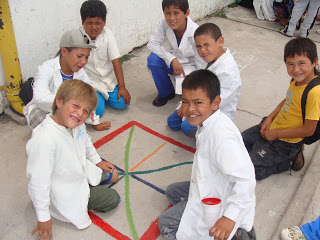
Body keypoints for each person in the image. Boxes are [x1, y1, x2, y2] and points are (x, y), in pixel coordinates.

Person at [158, 70, 256, 240]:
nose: (190, 109)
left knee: (166, 223)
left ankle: (234, 232)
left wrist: (229, 217)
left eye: (198, 102)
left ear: (215, 102)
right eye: (185, 102)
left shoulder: (222, 137)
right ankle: (197, 212)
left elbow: (245, 180)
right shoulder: (207, 122)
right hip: (212, 184)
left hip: (224, 198)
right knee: (173, 191)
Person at [26, 80, 120, 240]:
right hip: (64, 190)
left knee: (114, 174)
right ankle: (85, 198)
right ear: (59, 101)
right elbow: (38, 181)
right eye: (76, 106)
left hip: (78, 169)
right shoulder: (44, 139)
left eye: (86, 111)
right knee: (113, 199)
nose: (80, 114)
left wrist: (98, 161)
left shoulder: (75, 123)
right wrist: (43, 217)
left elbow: (86, 141)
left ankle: (89, 184)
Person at [242, 37, 320, 180]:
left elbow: (309, 130)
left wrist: (276, 134)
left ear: (314, 62)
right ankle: (263, 148)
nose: (295, 69)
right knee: (239, 142)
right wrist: (270, 118)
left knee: (248, 171)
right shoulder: (297, 79)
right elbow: (288, 100)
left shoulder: (315, 92)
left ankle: (285, 162)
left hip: (285, 143)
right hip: (273, 127)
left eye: (301, 63)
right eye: (290, 64)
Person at [23, 29, 111, 131]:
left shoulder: (81, 73)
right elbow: (40, 99)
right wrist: (69, 106)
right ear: (64, 51)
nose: (83, 61)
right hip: (42, 110)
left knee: (76, 128)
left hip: (69, 110)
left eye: (87, 57)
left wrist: (94, 122)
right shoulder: (46, 68)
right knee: (53, 130)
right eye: (79, 56)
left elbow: (88, 98)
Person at [167, 23, 241, 137]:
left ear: (220, 41)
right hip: (199, 102)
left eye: (207, 45)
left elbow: (216, 103)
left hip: (214, 111)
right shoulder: (206, 58)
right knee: (173, 121)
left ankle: (211, 136)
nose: (202, 50)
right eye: (198, 46)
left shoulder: (228, 72)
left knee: (186, 127)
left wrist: (189, 110)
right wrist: (183, 106)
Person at [147, 0, 204, 107]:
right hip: (175, 61)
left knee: (191, 97)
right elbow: (152, 44)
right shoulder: (165, 23)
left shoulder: (195, 31)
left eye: (176, 13)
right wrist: (172, 59)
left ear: (186, 13)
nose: (172, 18)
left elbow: (202, 62)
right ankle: (166, 93)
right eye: (168, 13)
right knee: (153, 60)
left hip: (192, 67)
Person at [80, 0, 131, 116]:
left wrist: (122, 87)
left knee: (123, 103)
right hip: (90, 83)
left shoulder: (108, 35)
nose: (94, 27)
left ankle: (103, 97)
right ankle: (99, 98)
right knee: (98, 111)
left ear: (105, 21)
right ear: (82, 21)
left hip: (107, 81)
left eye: (98, 23)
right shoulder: (78, 37)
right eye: (90, 23)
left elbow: (116, 61)